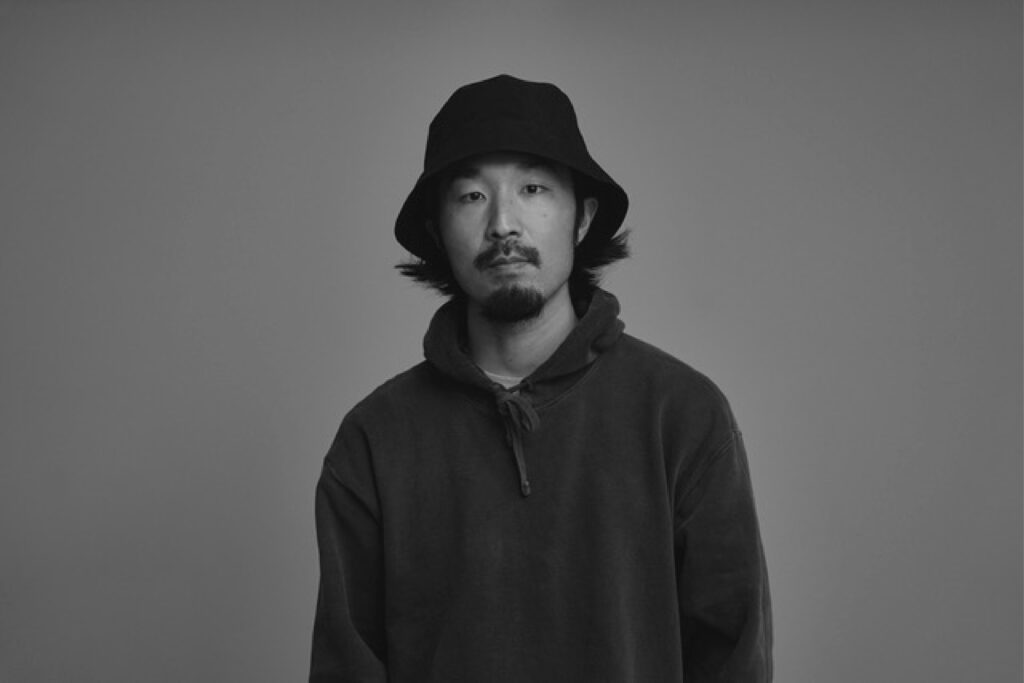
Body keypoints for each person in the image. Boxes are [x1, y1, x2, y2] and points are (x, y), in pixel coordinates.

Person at [310, 74, 772, 682]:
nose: (503, 223)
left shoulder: (681, 415)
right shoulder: (375, 440)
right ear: (436, 230)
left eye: (532, 189)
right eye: (471, 195)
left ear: (581, 218)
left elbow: (734, 661)